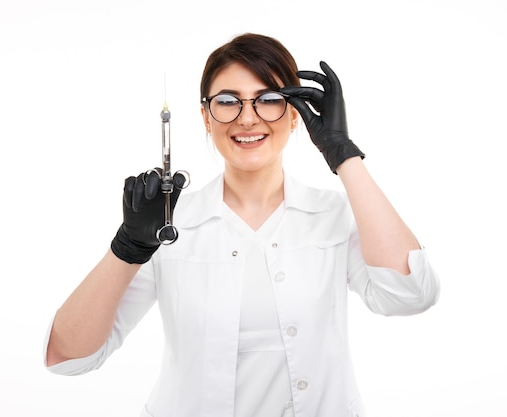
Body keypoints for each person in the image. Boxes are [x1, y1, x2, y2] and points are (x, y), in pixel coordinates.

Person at [43, 33, 440, 417]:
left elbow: (409, 293)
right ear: (205, 116)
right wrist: (127, 247)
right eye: (228, 101)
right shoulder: (165, 227)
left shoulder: (334, 215)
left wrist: (344, 156)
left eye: (269, 100)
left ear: (295, 115)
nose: (247, 118)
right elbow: (68, 356)